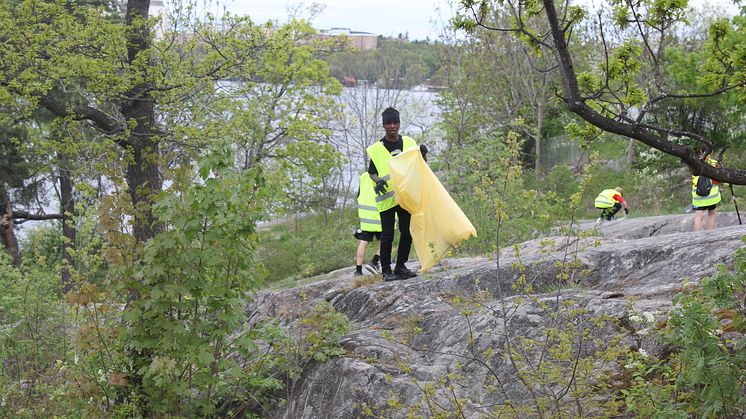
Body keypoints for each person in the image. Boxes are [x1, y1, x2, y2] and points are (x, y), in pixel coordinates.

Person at [367, 107, 427, 282]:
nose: (392, 126)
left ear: (399, 124)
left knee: (406, 232)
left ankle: (401, 266)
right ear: (384, 125)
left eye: (395, 123)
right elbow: (372, 171)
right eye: (388, 123)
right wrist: (377, 180)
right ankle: (386, 270)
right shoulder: (378, 148)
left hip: (405, 196)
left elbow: (421, 166)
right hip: (387, 198)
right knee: (387, 236)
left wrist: (423, 153)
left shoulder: (408, 143)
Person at [354, 172, 381, 276]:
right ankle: (375, 261)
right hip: (379, 213)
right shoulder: (383, 174)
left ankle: (358, 270)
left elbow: (359, 195)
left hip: (366, 215)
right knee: (385, 240)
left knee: (364, 242)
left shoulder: (363, 177)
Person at [692, 144, 721, 232]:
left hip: (698, 195)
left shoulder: (694, 162)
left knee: (698, 216)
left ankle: (697, 236)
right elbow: (717, 179)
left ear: (700, 151)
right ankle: (710, 234)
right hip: (712, 195)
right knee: (711, 214)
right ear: (711, 152)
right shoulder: (714, 162)